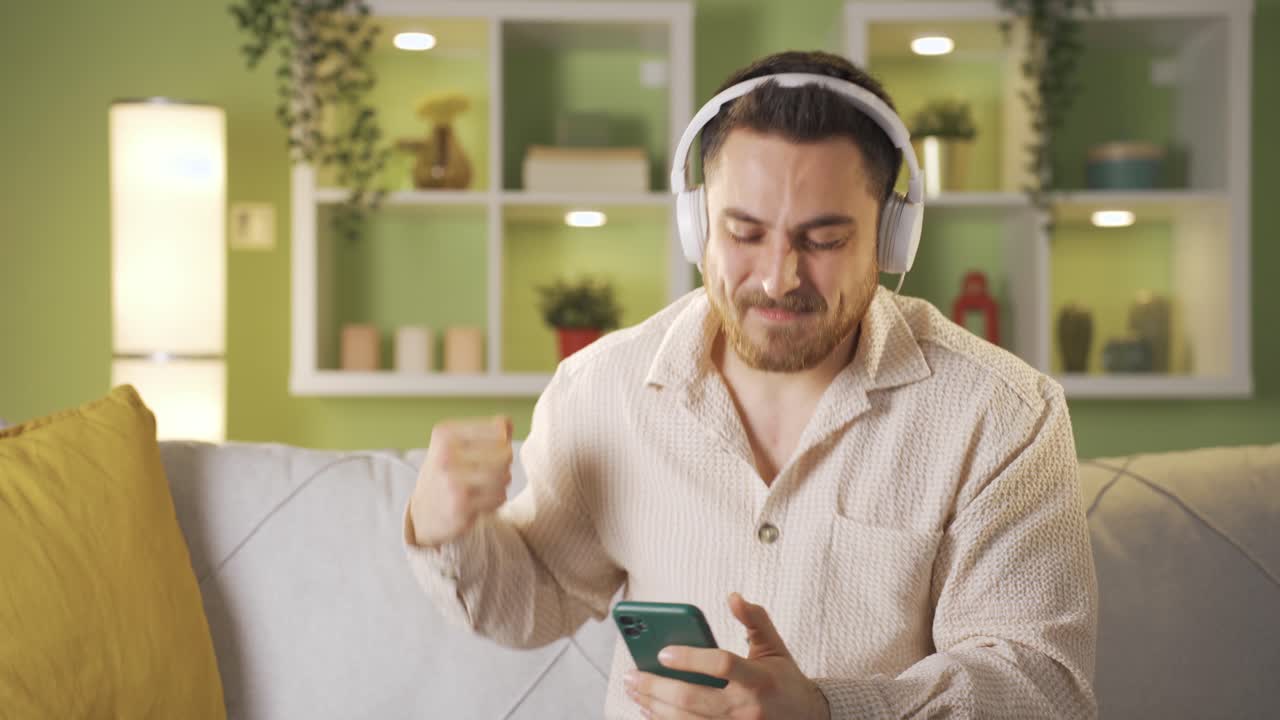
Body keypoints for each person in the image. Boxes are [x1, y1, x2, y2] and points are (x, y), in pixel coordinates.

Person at [403, 50, 1098, 719]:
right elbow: (538, 600)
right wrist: (446, 530)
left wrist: (832, 712)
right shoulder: (599, 389)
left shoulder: (1003, 415)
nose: (777, 277)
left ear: (893, 239)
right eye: (743, 232)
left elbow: (1040, 690)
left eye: (822, 240)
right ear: (696, 225)